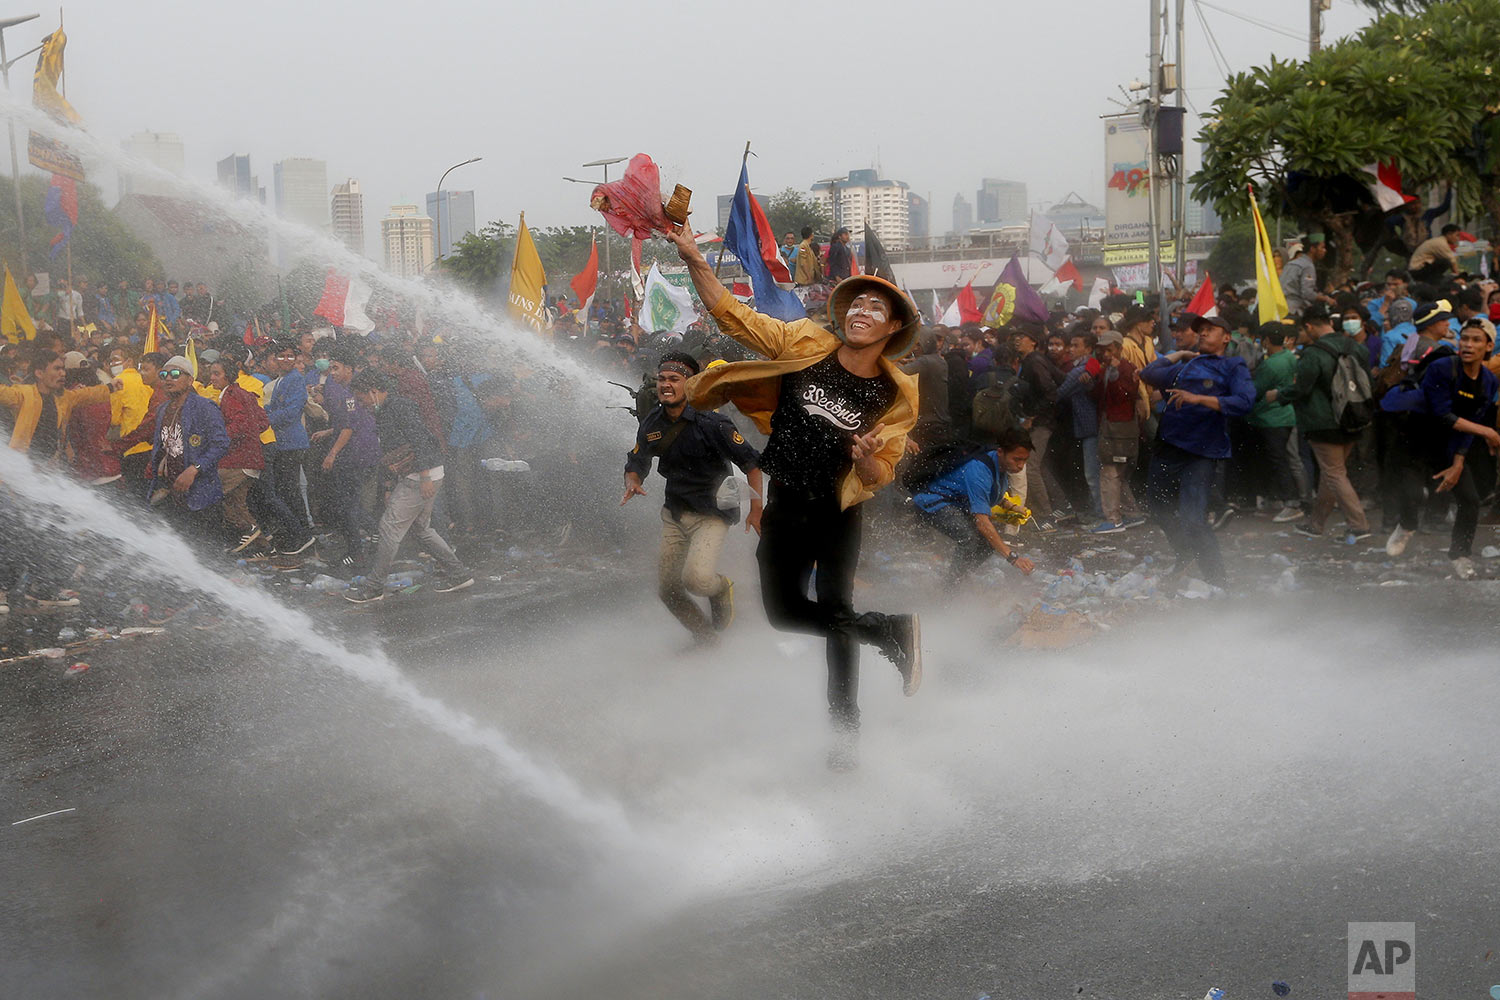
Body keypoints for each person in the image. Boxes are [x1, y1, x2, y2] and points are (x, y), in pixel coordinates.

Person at [667, 220, 921, 769]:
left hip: (835, 511)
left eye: (876, 308)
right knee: (785, 614)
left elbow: (882, 474)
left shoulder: (895, 394)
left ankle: (844, 739)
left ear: (893, 325)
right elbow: (734, 316)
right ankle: (887, 628)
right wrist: (693, 257)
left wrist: (867, 457)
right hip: (784, 504)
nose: (861, 312)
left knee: (836, 616)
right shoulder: (806, 341)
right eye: (856, 303)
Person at [622, 352, 764, 644]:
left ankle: (721, 588)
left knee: (697, 579)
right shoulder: (652, 422)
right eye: (662, 379)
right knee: (668, 590)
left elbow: (751, 463)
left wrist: (756, 509)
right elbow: (637, 459)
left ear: (690, 383)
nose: (665, 385)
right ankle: (704, 637)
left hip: (712, 513)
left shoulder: (712, 423)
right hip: (674, 513)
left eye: (674, 379)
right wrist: (633, 480)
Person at [1140, 314, 1256, 587]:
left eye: (1210, 330)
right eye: (1200, 331)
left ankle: (1218, 582)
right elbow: (1148, 374)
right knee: (1158, 509)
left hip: (1201, 452)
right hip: (1168, 447)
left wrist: (1199, 398)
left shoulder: (1232, 366)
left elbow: (1245, 401)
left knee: (1193, 518)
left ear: (1226, 337)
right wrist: (1178, 352)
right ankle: (1185, 555)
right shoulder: (1186, 365)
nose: (1202, 334)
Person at [345, 370, 474, 604]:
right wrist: (388, 485)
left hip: (421, 475)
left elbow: (420, 439)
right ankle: (459, 574)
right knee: (421, 529)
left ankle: (374, 587)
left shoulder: (400, 407)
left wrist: (425, 477)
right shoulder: (384, 410)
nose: (361, 404)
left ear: (373, 391)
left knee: (389, 528)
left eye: (361, 398)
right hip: (417, 475)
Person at [1274, 304, 1373, 542]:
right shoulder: (1356, 348)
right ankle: (1316, 524)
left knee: (1335, 473)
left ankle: (1359, 526)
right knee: (1332, 473)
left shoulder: (1313, 353)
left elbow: (1302, 388)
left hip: (1323, 422)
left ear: (1308, 326)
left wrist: (1277, 395)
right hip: (1353, 417)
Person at [911, 431, 1038, 583]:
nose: (1020, 466)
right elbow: (982, 523)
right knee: (969, 538)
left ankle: (960, 577)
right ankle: (950, 588)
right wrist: (1012, 558)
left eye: (1024, 460)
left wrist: (1010, 506)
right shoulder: (979, 469)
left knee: (987, 544)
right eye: (1017, 459)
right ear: (1000, 452)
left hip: (955, 504)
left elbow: (991, 492)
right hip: (932, 502)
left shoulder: (1001, 466)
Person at [147, 355, 230, 544]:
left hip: (201, 495)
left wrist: (194, 469)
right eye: (164, 374)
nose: (168, 378)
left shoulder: (205, 407)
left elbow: (221, 444)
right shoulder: (162, 409)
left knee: (205, 552)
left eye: (176, 374)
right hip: (171, 493)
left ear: (190, 380)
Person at [206, 357, 270, 553]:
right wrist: (250, 438)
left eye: (217, 374)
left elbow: (240, 424)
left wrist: (220, 439)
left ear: (228, 376)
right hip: (251, 459)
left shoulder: (230, 396)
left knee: (213, 491)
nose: (212, 378)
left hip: (239, 461)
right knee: (237, 503)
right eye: (211, 373)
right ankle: (264, 548)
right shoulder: (243, 394)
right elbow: (262, 421)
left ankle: (247, 531)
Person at [261, 342, 316, 555]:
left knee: (290, 490)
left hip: (292, 443)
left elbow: (292, 412)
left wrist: (265, 420)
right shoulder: (281, 380)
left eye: (290, 356)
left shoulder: (296, 380)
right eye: (282, 356)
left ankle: (303, 534)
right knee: (286, 490)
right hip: (283, 443)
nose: (286, 360)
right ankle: (299, 532)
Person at [1247, 321, 1303, 521]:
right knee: (1283, 459)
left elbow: (1257, 390)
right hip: (1286, 415)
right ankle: (1281, 499)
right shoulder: (1290, 357)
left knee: (1277, 461)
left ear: (1267, 340)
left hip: (1271, 418)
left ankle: (1291, 502)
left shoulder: (1270, 364)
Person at [1091, 331, 1145, 532]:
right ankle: (1132, 513)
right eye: (1102, 350)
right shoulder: (1106, 369)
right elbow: (1099, 395)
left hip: (1120, 428)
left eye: (1109, 349)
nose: (1105, 353)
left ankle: (1113, 519)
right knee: (1117, 473)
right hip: (1110, 425)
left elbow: (1126, 395)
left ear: (1119, 349)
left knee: (1110, 472)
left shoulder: (1126, 369)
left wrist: (1113, 376)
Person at [898, 329, 952, 449]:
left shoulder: (925, 362)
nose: (915, 348)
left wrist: (890, 360)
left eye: (919, 344)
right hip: (940, 421)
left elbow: (899, 373)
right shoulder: (938, 360)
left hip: (929, 422)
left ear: (927, 344)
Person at [1279, 234, 1331, 315]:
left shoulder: (1291, 264)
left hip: (1280, 308)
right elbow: (1307, 293)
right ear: (1312, 249)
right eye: (1322, 247)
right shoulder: (1307, 266)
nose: (1325, 251)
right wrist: (1326, 299)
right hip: (1295, 311)